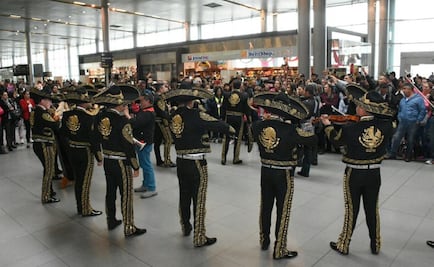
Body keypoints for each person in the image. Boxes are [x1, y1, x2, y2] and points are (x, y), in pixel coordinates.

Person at [320, 88, 395, 255]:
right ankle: (375, 244)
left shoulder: (351, 128)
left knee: (351, 210)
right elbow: (391, 120)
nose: (357, 108)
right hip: (374, 173)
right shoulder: (388, 126)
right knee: (372, 209)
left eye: (360, 105)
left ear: (365, 109)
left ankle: (344, 244)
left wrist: (327, 125)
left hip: (354, 173)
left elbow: (336, 141)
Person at [165, 84, 235, 247]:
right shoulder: (197, 114)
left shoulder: (172, 116)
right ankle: (199, 236)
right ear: (191, 101)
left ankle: (186, 226)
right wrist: (230, 130)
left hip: (181, 160)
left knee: (184, 195)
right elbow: (220, 125)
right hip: (196, 162)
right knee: (199, 198)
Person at [252, 93, 317, 260]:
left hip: (265, 171)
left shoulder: (257, 126)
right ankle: (280, 248)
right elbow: (312, 140)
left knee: (265, 206)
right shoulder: (291, 130)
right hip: (284, 173)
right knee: (283, 209)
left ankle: (264, 239)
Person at [94, 85, 146, 237]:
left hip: (108, 160)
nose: (125, 105)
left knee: (110, 192)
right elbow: (128, 145)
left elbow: (94, 138)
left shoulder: (100, 117)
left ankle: (111, 220)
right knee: (126, 194)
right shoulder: (122, 121)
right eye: (123, 103)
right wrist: (135, 165)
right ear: (118, 104)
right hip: (121, 163)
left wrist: (99, 156)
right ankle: (129, 226)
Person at [61, 87, 103, 216]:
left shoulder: (67, 114)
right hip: (85, 152)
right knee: (85, 181)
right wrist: (99, 156)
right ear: (83, 102)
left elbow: (63, 133)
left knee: (78, 180)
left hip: (72, 150)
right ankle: (85, 209)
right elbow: (93, 139)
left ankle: (80, 206)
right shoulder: (89, 117)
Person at [30, 88, 61, 204]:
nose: (50, 103)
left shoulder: (36, 111)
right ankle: (46, 196)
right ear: (42, 101)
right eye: (49, 101)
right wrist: (56, 119)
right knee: (48, 170)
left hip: (40, 143)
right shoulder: (42, 113)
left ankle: (50, 190)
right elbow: (55, 125)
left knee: (48, 168)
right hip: (44, 144)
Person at [128, 92, 158, 198]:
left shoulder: (148, 113)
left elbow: (136, 123)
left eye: (142, 101)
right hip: (141, 141)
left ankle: (152, 187)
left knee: (146, 165)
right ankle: (146, 184)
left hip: (144, 142)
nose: (140, 103)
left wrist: (128, 116)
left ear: (148, 101)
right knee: (144, 163)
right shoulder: (145, 111)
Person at [386, 83, 426, 162]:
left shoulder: (418, 99)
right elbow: (400, 109)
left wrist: (418, 120)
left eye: (405, 89)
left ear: (410, 90)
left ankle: (408, 155)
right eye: (403, 89)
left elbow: (422, 110)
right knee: (396, 137)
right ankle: (392, 153)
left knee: (410, 139)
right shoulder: (403, 100)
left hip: (413, 122)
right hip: (402, 121)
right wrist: (399, 116)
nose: (403, 91)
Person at [221, 79, 250, 165]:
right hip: (238, 118)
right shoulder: (244, 95)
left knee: (226, 137)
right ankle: (235, 158)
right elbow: (247, 109)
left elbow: (223, 107)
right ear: (240, 86)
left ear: (232, 85)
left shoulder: (226, 95)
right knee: (238, 138)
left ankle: (223, 158)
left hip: (228, 117)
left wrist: (222, 118)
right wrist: (248, 120)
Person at [153, 83, 176, 167]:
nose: (166, 89)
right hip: (162, 122)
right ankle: (167, 159)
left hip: (157, 121)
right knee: (168, 140)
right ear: (160, 89)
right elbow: (162, 112)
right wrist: (170, 116)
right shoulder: (159, 99)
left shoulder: (156, 97)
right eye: (164, 87)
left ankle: (159, 160)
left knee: (157, 142)